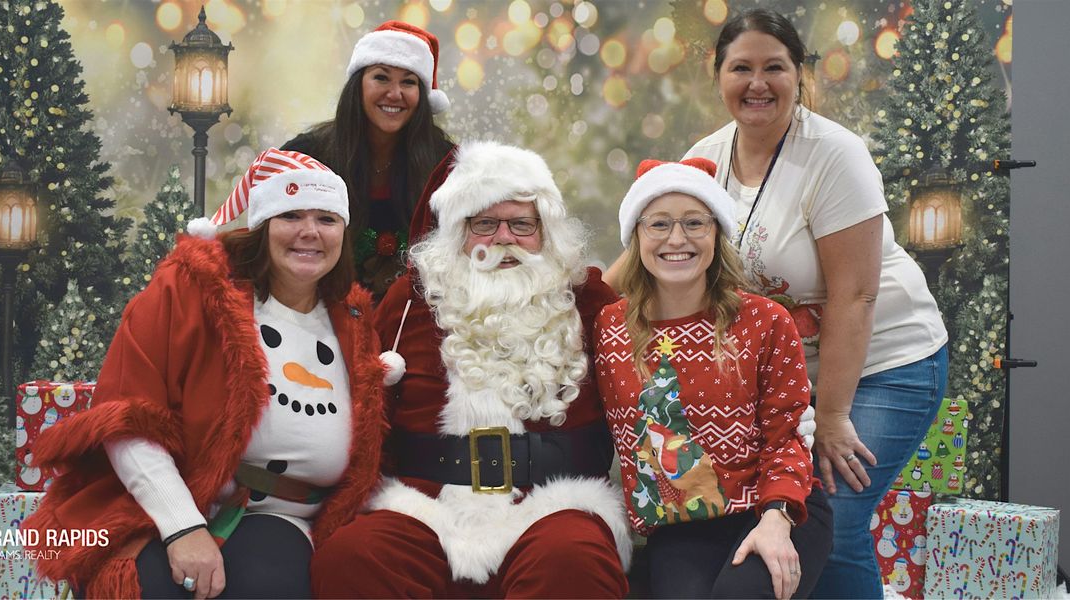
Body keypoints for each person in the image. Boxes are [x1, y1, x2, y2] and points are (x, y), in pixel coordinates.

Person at [22, 149, 400, 598]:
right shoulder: (193, 291)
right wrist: (182, 528)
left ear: (343, 232)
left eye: (327, 219)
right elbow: (126, 420)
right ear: (262, 225)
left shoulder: (355, 325)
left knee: (266, 587)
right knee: (152, 587)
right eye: (291, 215)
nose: (309, 232)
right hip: (175, 499)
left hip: (287, 520)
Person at [677, 9, 949, 598]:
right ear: (717, 74)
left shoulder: (834, 154)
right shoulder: (706, 156)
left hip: (885, 362)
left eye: (775, 67)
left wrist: (831, 420)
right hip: (797, 376)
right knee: (800, 519)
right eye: (741, 67)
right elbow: (673, 248)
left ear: (798, 75)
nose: (758, 83)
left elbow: (856, 295)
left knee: (837, 518)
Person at [310, 140, 632, 598]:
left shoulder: (588, 302)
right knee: (353, 557)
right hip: (425, 503)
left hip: (553, 503)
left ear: (547, 232)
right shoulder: (410, 303)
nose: (503, 238)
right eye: (485, 223)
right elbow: (363, 405)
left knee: (573, 562)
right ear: (458, 232)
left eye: (522, 223)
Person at [596, 157, 833, 599]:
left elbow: (788, 436)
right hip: (683, 523)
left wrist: (776, 519)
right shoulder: (610, 327)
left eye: (694, 223)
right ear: (636, 236)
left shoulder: (764, 321)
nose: (677, 239)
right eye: (659, 224)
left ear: (718, 233)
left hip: (778, 505)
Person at [283, 20, 454, 299]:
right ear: (358, 86)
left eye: (408, 82)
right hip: (321, 310)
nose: (395, 93)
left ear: (421, 96)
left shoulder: (445, 163)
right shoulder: (308, 155)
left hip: (411, 319)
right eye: (381, 77)